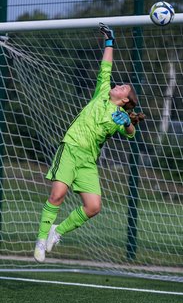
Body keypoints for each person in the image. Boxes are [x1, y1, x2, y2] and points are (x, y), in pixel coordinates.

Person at [34, 23, 145, 263]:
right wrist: (109, 42)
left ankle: (57, 231)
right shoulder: (101, 94)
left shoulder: (119, 117)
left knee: (94, 206)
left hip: (87, 161)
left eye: (123, 87)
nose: (118, 84)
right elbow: (106, 67)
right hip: (71, 148)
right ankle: (41, 239)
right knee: (58, 195)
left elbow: (131, 133)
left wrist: (126, 122)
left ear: (124, 99)